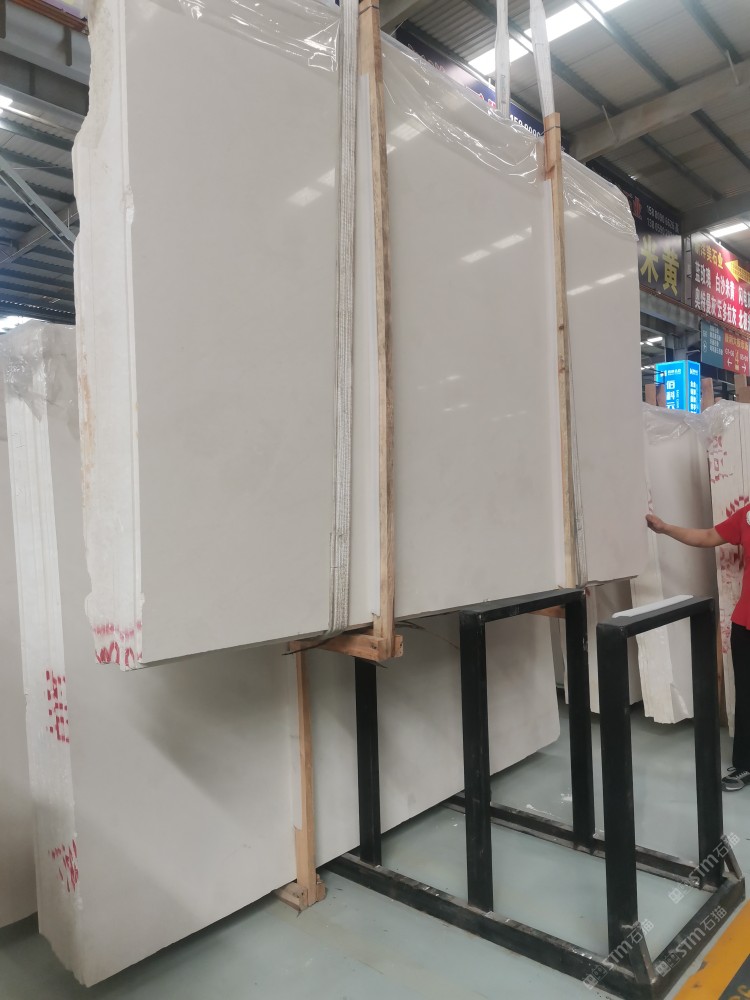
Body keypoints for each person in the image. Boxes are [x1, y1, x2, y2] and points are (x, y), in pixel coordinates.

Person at [646, 508, 750, 791]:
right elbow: (707, 536)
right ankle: (745, 763)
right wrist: (665, 528)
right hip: (746, 623)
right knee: (746, 696)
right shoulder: (746, 516)